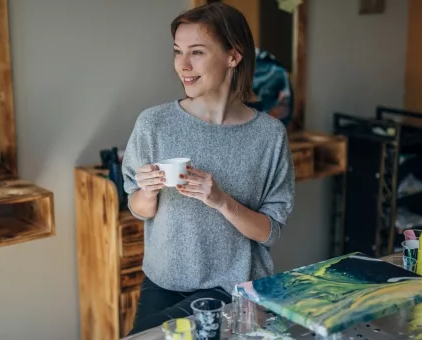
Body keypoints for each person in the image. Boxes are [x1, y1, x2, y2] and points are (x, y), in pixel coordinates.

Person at [122, 2, 295, 335]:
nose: (183, 65)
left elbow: (269, 231)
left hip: (230, 287)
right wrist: (147, 190)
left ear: (233, 56)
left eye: (197, 52)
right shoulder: (153, 124)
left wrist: (220, 200)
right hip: (162, 281)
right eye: (178, 52)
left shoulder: (269, 135)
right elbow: (138, 208)